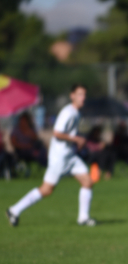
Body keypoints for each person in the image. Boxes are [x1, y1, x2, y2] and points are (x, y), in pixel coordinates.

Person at [6, 84, 96, 227]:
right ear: (72, 96)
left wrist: (75, 140)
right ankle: (14, 210)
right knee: (46, 190)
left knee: (87, 181)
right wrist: (77, 139)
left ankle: (83, 218)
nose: (82, 98)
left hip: (69, 156)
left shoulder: (76, 112)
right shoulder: (68, 112)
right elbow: (57, 133)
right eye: (79, 94)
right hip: (59, 158)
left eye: (84, 94)